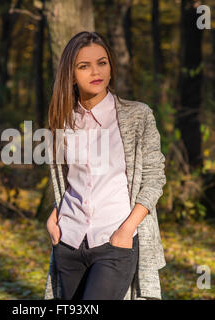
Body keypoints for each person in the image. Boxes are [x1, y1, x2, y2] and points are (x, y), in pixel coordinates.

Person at [44, 31, 167, 300]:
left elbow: (155, 178)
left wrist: (126, 231)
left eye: (102, 62)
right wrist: (55, 216)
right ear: (70, 74)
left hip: (115, 240)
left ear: (111, 66)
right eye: (83, 66)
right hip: (69, 241)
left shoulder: (138, 116)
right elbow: (69, 182)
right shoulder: (61, 122)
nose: (95, 72)